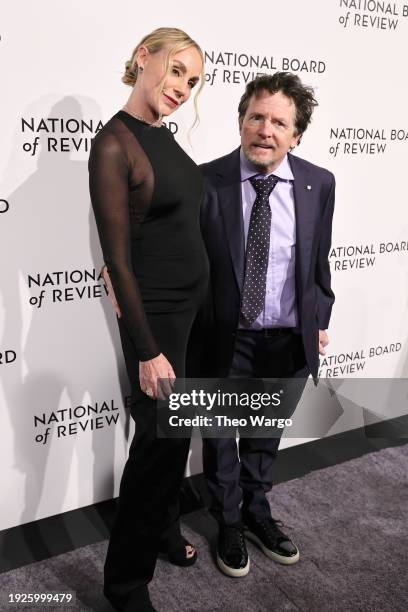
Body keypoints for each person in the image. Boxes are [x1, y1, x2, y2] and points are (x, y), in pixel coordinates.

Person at [192, 72, 335, 577]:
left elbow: (319, 264)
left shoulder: (319, 183)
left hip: (286, 338)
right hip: (224, 338)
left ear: (296, 135)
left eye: (279, 122)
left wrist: (318, 319)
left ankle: (258, 512)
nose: (265, 130)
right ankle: (228, 522)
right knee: (219, 435)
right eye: (256, 116)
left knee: (264, 434)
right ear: (240, 122)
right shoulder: (206, 181)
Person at [88, 27, 208, 611]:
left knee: (175, 438)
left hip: (189, 315)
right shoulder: (115, 143)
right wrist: (146, 349)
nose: (183, 87)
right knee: (158, 445)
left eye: (193, 81)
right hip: (155, 321)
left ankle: (162, 532)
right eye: (177, 70)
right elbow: (117, 259)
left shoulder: (161, 135)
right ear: (144, 56)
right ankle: (125, 583)